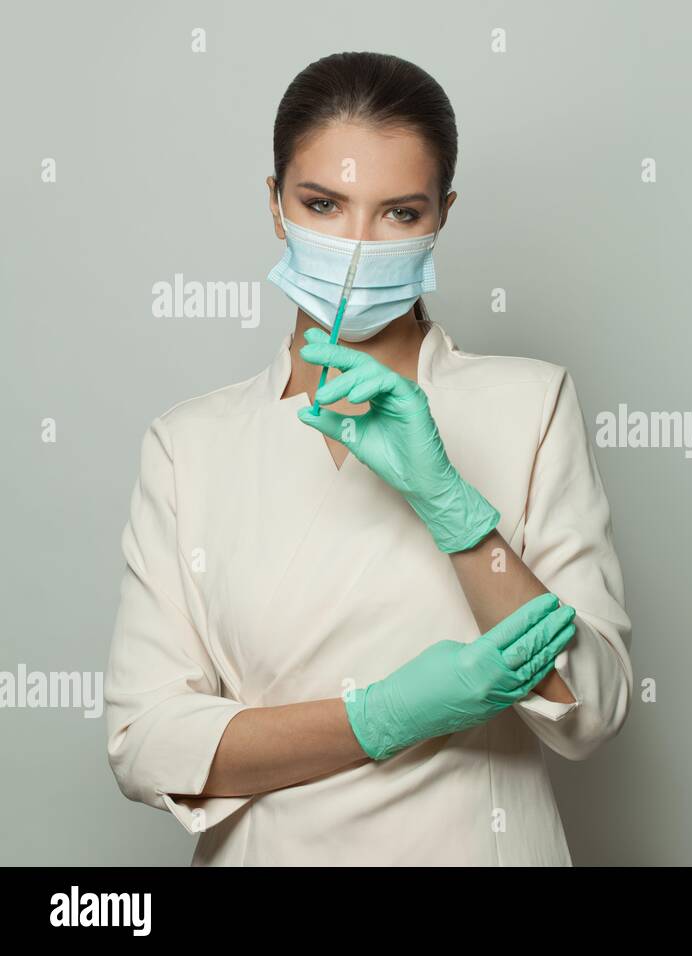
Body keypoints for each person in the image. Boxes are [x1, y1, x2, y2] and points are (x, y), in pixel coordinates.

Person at [103, 51, 633, 865]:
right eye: (323, 203)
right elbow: (144, 741)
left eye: (398, 213)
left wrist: (452, 506)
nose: (356, 244)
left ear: (441, 216)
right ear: (275, 205)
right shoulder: (190, 444)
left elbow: (589, 707)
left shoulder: (529, 405)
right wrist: (385, 716)